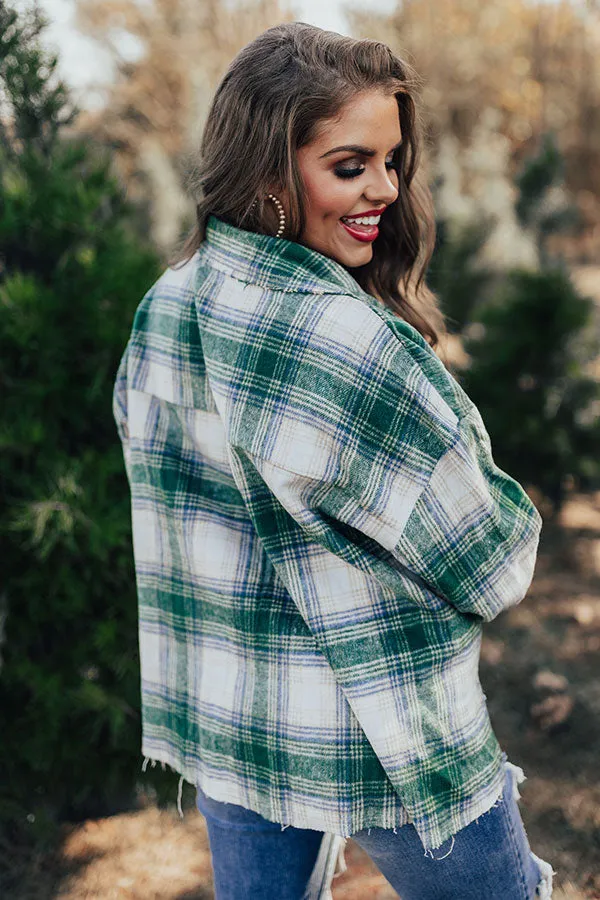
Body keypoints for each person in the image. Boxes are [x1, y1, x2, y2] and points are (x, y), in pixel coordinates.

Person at [112, 21, 556, 900]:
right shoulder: (340, 338)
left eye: (391, 161)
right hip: (384, 734)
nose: (385, 189)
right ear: (270, 169)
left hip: (232, 720)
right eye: (349, 165)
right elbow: (493, 562)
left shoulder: (168, 303)